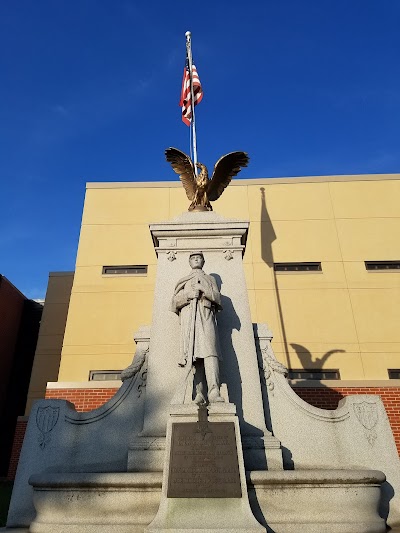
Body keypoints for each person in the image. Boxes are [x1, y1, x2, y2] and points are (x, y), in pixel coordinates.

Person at [171, 252, 224, 404]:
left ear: (203, 261)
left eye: (199, 257)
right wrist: (188, 295)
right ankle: (198, 393)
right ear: (189, 261)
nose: (196, 259)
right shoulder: (184, 281)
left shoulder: (210, 279)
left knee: (210, 353)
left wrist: (204, 290)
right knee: (194, 358)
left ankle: (214, 391)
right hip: (189, 320)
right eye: (193, 258)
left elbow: (218, 299)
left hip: (206, 317)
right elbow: (174, 303)